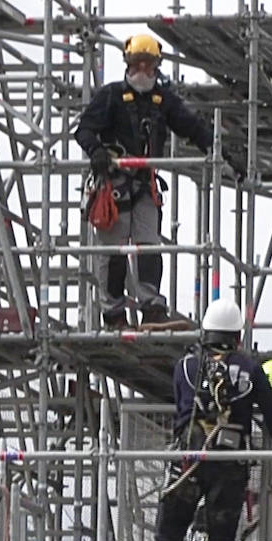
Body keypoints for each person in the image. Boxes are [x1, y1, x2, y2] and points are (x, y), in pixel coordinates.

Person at [76, 33, 239, 329]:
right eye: (136, 64)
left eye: (148, 65)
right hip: (112, 185)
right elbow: (84, 129)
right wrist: (97, 151)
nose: (142, 71)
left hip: (144, 185)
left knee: (148, 246)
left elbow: (193, 127)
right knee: (113, 252)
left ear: (156, 67)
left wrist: (221, 152)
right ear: (127, 64)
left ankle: (151, 307)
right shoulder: (111, 96)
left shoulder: (162, 102)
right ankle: (113, 313)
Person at [135, 299, 272, 541]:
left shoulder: (186, 366)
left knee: (170, 531)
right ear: (237, 337)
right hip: (228, 462)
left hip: (188, 459)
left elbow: (181, 409)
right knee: (223, 537)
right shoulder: (250, 370)